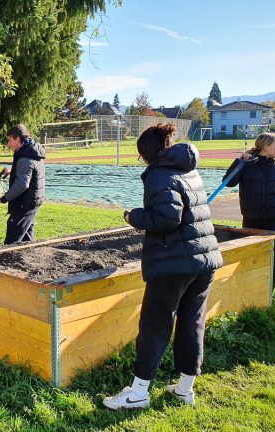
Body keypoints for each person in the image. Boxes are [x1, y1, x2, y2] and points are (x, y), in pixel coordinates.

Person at [103, 124, 223, 410]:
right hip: (203, 259)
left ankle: (139, 392)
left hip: (174, 262)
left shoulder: (159, 174)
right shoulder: (187, 168)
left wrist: (134, 216)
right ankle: (184, 389)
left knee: (154, 325)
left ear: (146, 153)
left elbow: (167, 218)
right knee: (192, 322)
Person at [223, 132, 275, 290]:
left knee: (272, 257)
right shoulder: (245, 165)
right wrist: (239, 161)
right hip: (251, 220)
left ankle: (268, 294)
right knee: (251, 257)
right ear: (267, 146)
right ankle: (250, 291)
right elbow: (228, 183)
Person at [0, 124, 46, 244]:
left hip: (24, 203)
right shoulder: (32, 151)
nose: (9, 144)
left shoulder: (25, 158)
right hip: (34, 201)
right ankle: (29, 258)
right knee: (26, 237)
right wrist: (14, 171)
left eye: (10, 140)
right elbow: (31, 173)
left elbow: (22, 185)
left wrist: (3, 199)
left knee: (12, 240)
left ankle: (6, 260)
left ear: (18, 139)